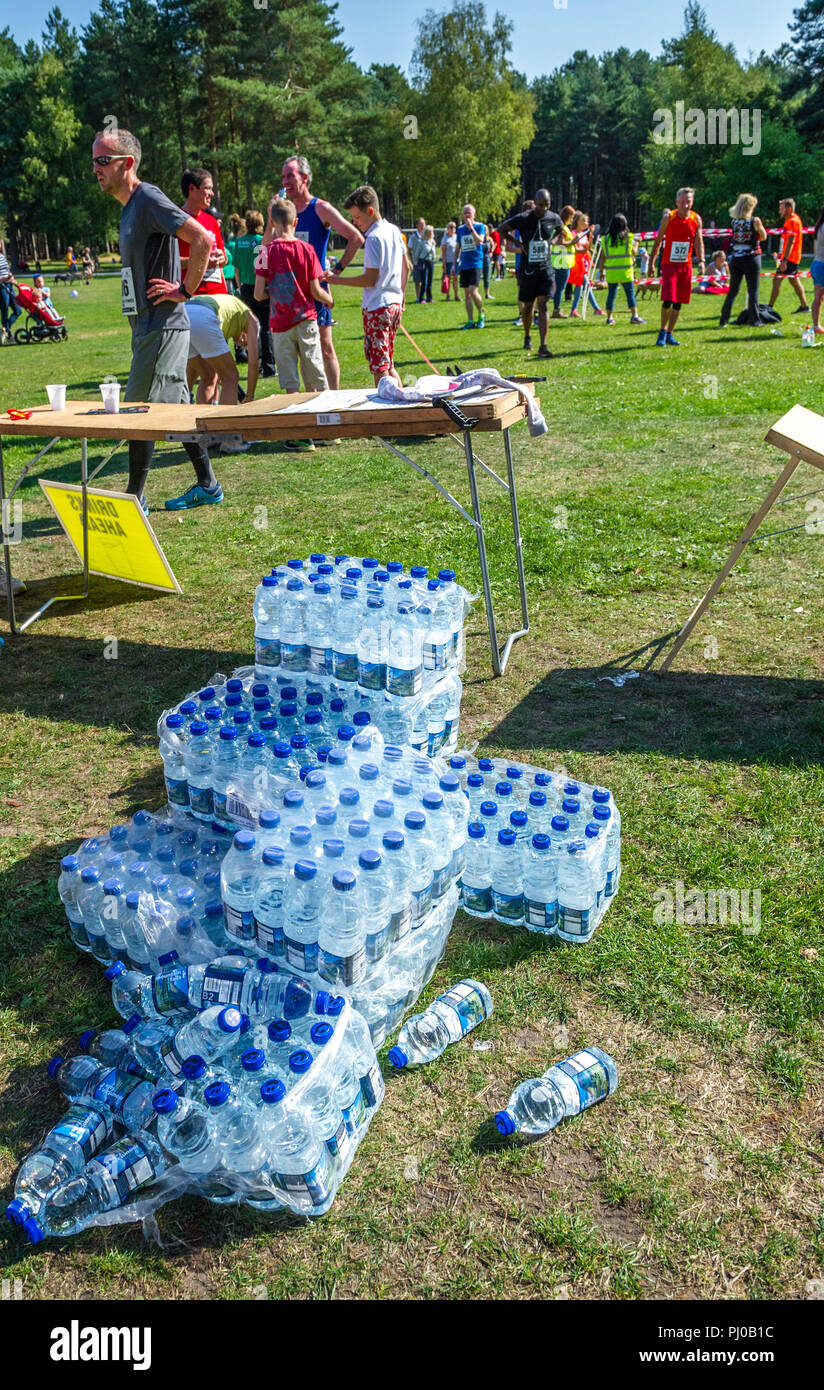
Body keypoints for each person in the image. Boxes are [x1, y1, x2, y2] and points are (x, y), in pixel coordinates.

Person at [92, 127, 223, 511]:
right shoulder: (129, 207)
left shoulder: (147, 197)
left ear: (127, 164)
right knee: (179, 411)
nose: (96, 168)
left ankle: (135, 497)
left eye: (103, 160)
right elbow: (163, 254)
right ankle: (208, 484)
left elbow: (202, 238)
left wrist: (184, 290)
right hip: (147, 327)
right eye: (94, 161)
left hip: (163, 326)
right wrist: (181, 272)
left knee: (136, 409)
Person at [271, 156, 365, 391]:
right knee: (302, 350)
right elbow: (267, 248)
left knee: (324, 346)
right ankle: (310, 400)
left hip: (316, 290)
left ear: (305, 178)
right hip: (289, 292)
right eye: (283, 177)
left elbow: (355, 237)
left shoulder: (320, 208)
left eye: (290, 176)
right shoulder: (284, 212)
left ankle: (333, 398)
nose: (285, 182)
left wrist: (337, 270)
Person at [254, 196, 331, 413]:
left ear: (272, 223)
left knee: (290, 385)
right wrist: (330, 300)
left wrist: (278, 290)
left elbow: (258, 293)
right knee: (316, 378)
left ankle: (298, 434)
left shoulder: (263, 252)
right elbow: (316, 291)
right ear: (296, 222)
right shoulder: (307, 249)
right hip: (306, 318)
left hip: (280, 323)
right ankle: (325, 428)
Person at [326, 184, 408, 386]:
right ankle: (403, 403)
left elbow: (370, 279)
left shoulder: (373, 238)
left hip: (377, 307)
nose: (355, 223)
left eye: (357, 218)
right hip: (395, 303)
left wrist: (337, 280)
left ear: (370, 211)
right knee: (389, 364)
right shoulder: (394, 231)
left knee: (380, 369)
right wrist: (401, 295)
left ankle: (389, 411)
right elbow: (407, 266)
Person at [497, 188, 560, 357]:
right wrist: (517, 242)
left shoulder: (553, 218)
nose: (544, 208)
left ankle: (543, 346)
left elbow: (560, 230)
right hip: (528, 269)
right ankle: (527, 336)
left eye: (547, 205)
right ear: (535, 203)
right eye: (541, 205)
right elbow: (501, 229)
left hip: (545, 268)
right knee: (528, 306)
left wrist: (552, 242)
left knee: (544, 304)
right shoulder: (523, 218)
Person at [646, 187, 705, 346]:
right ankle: (662, 331)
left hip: (685, 266)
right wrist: (652, 262)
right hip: (668, 265)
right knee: (667, 299)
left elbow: (698, 241)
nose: (685, 205)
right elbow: (658, 241)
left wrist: (701, 261)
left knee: (679, 301)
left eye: (688, 202)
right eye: (682, 202)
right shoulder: (669, 218)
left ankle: (670, 333)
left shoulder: (695, 219)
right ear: (676, 202)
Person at [185, 292, 259, 417]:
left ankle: (202, 427)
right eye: (244, 343)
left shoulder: (232, 316)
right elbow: (254, 362)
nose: (241, 345)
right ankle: (225, 429)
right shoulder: (251, 320)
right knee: (231, 377)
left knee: (207, 376)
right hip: (203, 314)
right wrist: (250, 395)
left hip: (185, 312)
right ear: (245, 334)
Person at [234, 210, 274, 377]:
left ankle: (254, 366)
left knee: (251, 329)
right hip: (260, 287)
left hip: (244, 288)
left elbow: (236, 267)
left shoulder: (239, 242)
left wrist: (239, 285)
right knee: (265, 328)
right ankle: (269, 367)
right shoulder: (261, 242)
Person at [177, 169, 228, 295]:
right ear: (192, 189)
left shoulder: (212, 221)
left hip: (219, 294)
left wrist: (222, 258)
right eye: (207, 188)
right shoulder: (176, 220)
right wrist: (201, 261)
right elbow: (169, 262)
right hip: (194, 296)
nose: (211, 193)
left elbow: (224, 261)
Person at [719, 194, 767, 328]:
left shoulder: (734, 222)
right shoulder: (754, 221)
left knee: (733, 290)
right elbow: (763, 237)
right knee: (753, 290)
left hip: (736, 258)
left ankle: (724, 319)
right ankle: (754, 320)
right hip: (751, 258)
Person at [599, 214, 646, 326]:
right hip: (626, 272)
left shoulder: (605, 239)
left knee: (611, 295)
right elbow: (634, 252)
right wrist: (638, 242)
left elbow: (602, 257)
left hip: (612, 272)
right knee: (630, 294)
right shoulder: (628, 237)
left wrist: (601, 271)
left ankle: (609, 318)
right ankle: (634, 315)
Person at [768, 198, 810, 315]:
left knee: (777, 280)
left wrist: (785, 260)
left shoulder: (792, 221)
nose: (779, 211)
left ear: (789, 209)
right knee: (794, 280)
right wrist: (781, 255)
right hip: (790, 256)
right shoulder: (791, 220)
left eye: (782, 208)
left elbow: (791, 241)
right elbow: (786, 241)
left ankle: (770, 307)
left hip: (791, 257)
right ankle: (804, 306)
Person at [456, 203, 486, 329]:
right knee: (467, 294)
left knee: (474, 291)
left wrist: (471, 229)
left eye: (469, 213)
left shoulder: (480, 227)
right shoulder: (460, 229)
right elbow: (458, 247)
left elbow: (479, 241)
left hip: (476, 263)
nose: (467, 215)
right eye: (465, 213)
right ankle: (470, 320)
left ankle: (481, 313)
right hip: (464, 264)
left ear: (474, 214)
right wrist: (454, 263)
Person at [569, 212, 603, 318]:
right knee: (586, 284)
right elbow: (576, 249)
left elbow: (588, 245)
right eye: (584, 221)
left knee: (580, 286)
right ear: (578, 221)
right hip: (576, 263)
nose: (586, 223)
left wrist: (591, 235)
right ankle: (596, 308)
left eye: (587, 221)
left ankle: (573, 310)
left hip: (584, 262)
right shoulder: (574, 233)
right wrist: (585, 250)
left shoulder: (585, 233)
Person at [550, 206, 576, 318]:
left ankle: (556, 308)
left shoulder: (563, 227)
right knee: (560, 287)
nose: (573, 219)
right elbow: (561, 243)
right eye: (572, 216)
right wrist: (573, 242)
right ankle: (556, 310)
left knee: (559, 286)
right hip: (561, 261)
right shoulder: (562, 228)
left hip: (560, 260)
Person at [0, 239, 22, 344]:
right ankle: (8, 335)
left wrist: (11, 277)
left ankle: (4, 329)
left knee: (18, 310)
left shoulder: (2, 257)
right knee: (5, 311)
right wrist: (3, 279)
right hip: (1, 287)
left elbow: (8, 271)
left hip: (9, 285)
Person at [809, 206, 824, 335]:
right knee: (819, 297)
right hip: (823, 265)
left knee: (818, 298)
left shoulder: (819, 226)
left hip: (816, 264)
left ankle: (816, 326)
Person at [407, 216, 427, 302]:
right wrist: (411, 261)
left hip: (426, 261)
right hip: (417, 262)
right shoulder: (413, 237)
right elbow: (409, 250)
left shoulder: (427, 235)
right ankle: (418, 297)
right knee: (417, 280)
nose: (422, 226)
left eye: (424, 224)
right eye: (421, 224)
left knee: (425, 280)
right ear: (417, 225)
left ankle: (424, 296)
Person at [416, 224, 436, 303]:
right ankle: (422, 298)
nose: (430, 233)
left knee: (430, 281)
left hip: (431, 262)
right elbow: (417, 254)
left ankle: (429, 297)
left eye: (431, 232)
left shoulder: (432, 242)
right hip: (424, 262)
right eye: (429, 232)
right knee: (424, 281)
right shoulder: (422, 243)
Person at [440, 220, 459, 300]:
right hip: (448, 262)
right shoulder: (445, 238)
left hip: (456, 261)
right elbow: (443, 252)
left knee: (455, 278)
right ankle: (448, 295)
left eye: (454, 227)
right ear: (448, 228)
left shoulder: (457, 237)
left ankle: (456, 295)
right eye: (451, 227)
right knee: (448, 278)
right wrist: (444, 263)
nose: (452, 229)